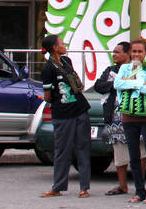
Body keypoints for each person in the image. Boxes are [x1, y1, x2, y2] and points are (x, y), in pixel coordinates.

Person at [39, 34, 92, 198]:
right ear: (55, 48)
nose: (64, 45)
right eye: (61, 43)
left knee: (83, 148)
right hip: (62, 113)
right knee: (62, 150)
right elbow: (48, 95)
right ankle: (58, 186)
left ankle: (84, 187)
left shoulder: (67, 61)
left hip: (80, 109)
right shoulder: (48, 69)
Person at [115, 38, 146, 204]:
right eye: (134, 51)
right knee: (133, 156)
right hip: (128, 116)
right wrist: (139, 83)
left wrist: (129, 83)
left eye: (140, 51)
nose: (137, 54)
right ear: (130, 52)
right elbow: (117, 84)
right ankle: (139, 191)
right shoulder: (124, 67)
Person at [95, 41, 138, 196]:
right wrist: (115, 84)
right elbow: (99, 86)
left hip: (135, 114)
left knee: (140, 150)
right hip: (115, 117)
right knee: (119, 151)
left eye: (117, 52)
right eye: (113, 52)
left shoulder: (137, 69)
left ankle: (140, 185)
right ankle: (122, 185)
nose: (114, 55)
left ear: (128, 54)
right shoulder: (110, 70)